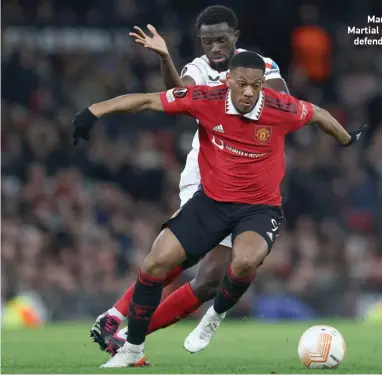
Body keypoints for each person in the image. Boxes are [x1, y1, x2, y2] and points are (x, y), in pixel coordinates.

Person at [72, 51, 367, 367]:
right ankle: (133, 349)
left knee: (244, 262)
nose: (250, 92)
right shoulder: (205, 99)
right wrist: (95, 110)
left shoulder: (281, 107)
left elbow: (319, 113)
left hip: (259, 209)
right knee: (156, 263)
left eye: (256, 85)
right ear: (228, 81)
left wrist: (347, 139)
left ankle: (214, 316)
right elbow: (147, 101)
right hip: (211, 203)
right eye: (242, 84)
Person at [90, 5, 291, 355]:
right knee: (182, 256)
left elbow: (281, 99)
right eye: (207, 41)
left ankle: (125, 334)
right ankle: (117, 315)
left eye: (222, 40)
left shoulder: (258, 65)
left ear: (236, 38)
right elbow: (177, 97)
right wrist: (166, 58)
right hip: (207, 173)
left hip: (248, 176)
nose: (214, 48)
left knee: (212, 277)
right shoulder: (196, 69)